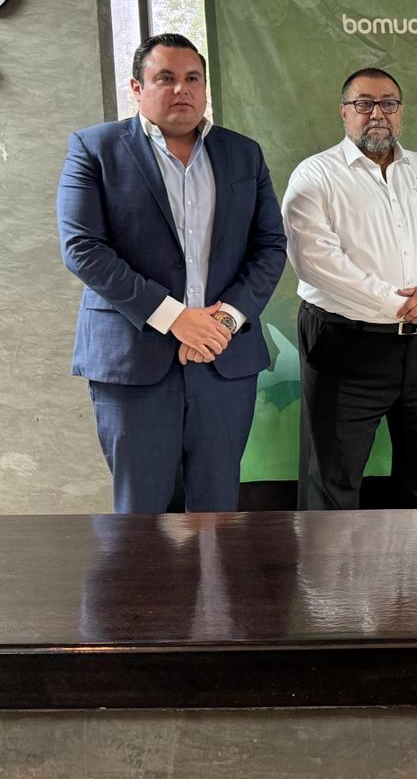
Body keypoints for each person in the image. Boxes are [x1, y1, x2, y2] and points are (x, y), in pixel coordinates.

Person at [56, 33, 287, 513]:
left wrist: (222, 323)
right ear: (137, 88)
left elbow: (270, 246)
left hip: (223, 361)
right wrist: (174, 317)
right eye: (165, 78)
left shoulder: (244, 154)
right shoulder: (95, 149)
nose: (181, 89)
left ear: (205, 89)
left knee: (215, 511)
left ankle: (212, 594)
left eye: (192, 79)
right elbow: (82, 247)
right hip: (134, 362)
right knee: (141, 518)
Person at [282, 67, 417, 510]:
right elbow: (316, 262)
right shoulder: (315, 175)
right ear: (344, 112)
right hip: (345, 347)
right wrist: (401, 304)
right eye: (364, 103)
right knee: (332, 488)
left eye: (388, 103)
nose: (377, 113)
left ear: (401, 112)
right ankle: (331, 582)